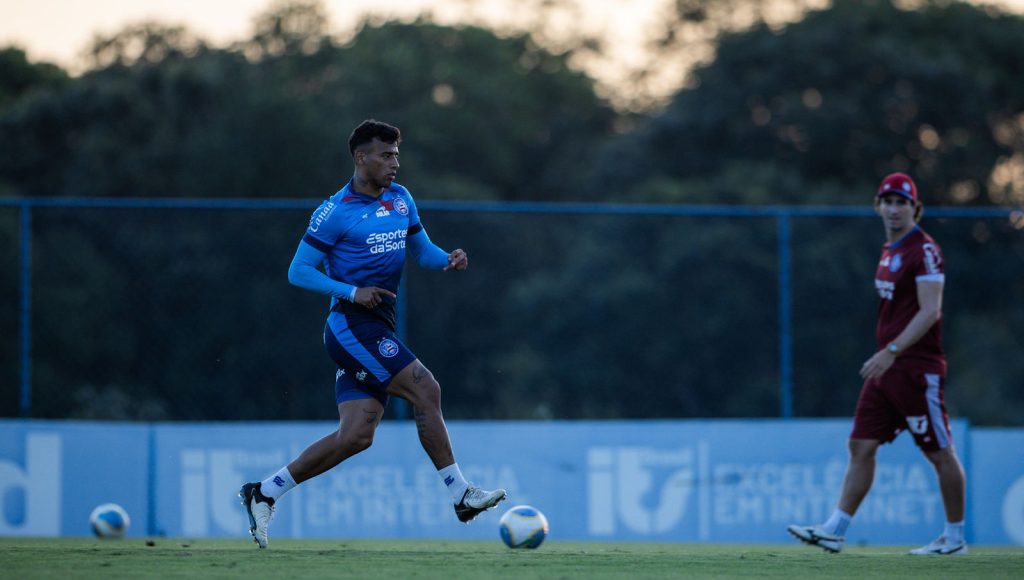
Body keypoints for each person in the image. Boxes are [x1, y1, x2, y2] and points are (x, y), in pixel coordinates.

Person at [239, 119, 506, 549]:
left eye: (397, 154)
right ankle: (460, 494)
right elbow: (298, 271)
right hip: (349, 327)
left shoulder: (401, 200)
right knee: (426, 389)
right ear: (361, 158)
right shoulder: (334, 211)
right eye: (386, 154)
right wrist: (350, 290)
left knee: (357, 436)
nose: (395, 163)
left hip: (378, 325)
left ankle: (265, 491)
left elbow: (422, 251)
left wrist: (447, 259)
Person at [787, 173, 967, 555]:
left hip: (916, 367)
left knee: (940, 453)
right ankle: (835, 529)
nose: (894, 208)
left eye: (902, 202)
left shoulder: (925, 249)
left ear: (915, 208)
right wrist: (888, 355)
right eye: (888, 201)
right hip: (888, 367)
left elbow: (931, 310)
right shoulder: (889, 249)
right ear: (877, 206)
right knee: (860, 445)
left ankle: (954, 539)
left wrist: (894, 350)